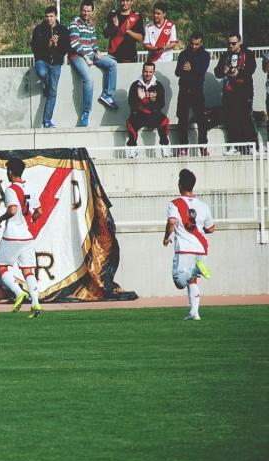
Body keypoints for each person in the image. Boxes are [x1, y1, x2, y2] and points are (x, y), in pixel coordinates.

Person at [0, 158, 44, 319]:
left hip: (13, 235)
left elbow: (13, 210)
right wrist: (30, 220)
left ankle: (18, 292)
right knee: (28, 271)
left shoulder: (10, 190)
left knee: (1, 268)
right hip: (27, 236)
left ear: (10, 172)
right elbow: (39, 211)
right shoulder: (30, 188)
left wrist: (0, 219)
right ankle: (35, 302)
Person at [163, 169, 214, 320]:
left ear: (180, 186)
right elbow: (211, 228)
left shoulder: (175, 203)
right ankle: (194, 313)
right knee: (192, 281)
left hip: (185, 248)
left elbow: (172, 221)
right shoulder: (203, 206)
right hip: (202, 248)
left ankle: (195, 270)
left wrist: (166, 237)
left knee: (179, 280)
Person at [68, 0, 118, 126]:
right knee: (89, 79)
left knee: (112, 64)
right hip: (78, 55)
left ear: (92, 12)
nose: (86, 13)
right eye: (84, 10)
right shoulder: (74, 23)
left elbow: (93, 41)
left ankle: (108, 94)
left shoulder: (91, 25)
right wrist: (86, 57)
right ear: (81, 10)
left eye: (89, 11)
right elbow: (74, 43)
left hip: (90, 54)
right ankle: (86, 111)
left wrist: (97, 51)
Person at [214, 32, 258, 155]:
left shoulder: (248, 54)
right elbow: (217, 72)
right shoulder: (225, 55)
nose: (231, 46)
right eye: (228, 44)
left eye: (233, 43)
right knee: (231, 118)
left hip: (244, 91)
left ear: (240, 42)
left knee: (246, 118)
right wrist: (223, 71)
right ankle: (233, 146)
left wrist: (239, 72)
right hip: (229, 91)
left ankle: (253, 146)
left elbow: (252, 69)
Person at [30, 5, 70, 128]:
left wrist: (57, 44)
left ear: (56, 16)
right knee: (41, 72)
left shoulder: (63, 31)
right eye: (47, 16)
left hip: (56, 63)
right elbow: (35, 49)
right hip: (43, 60)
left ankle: (47, 120)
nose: (49, 19)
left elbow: (65, 49)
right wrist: (48, 45)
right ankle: (46, 83)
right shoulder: (39, 30)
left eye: (51, 16)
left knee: (53, 92)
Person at [175, 31, 210, 156]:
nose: (194, 46)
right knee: (182, 119)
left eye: (197, 44)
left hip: (197, 91)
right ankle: (183, 146)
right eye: (192, 44)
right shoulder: (184, 54)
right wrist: (182, 69)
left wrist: (191, 69)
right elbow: (177, 73)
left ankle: (203, 146)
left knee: (201, 119)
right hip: (184, 90)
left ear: (201, 43)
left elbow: (202, 72)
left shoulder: (205, 55)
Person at [126, 62, 170, 158]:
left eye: (150, 72)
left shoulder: (158, 86)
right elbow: (131, 104)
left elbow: (161, 104)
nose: (148, 74)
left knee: (164, 120)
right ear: (142, 71)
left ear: (154, 72)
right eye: (146, 71)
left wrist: (145, 101)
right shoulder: (135, 85)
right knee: (130, 122)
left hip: (153, 114)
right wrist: (141, 100)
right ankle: (133, 149)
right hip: (140, 115)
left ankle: (164, 147)